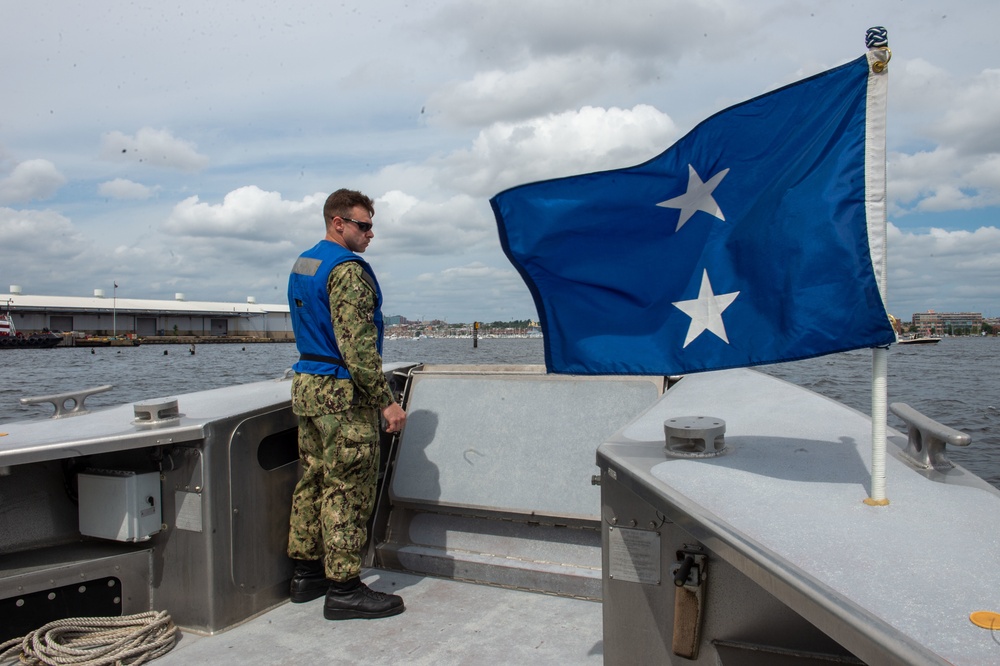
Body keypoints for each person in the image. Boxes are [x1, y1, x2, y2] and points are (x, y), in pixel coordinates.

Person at [285, 188, 407, 620]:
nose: (371, 234)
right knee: (348, 489)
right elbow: (357, 349)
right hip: (341, 393)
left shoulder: (305, 263)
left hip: (309, 388)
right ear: (338, 222)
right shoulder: (348, 271)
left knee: (314, 480)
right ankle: (344, 587)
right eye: (363, 224)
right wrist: (386, 402)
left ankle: (306, 575)